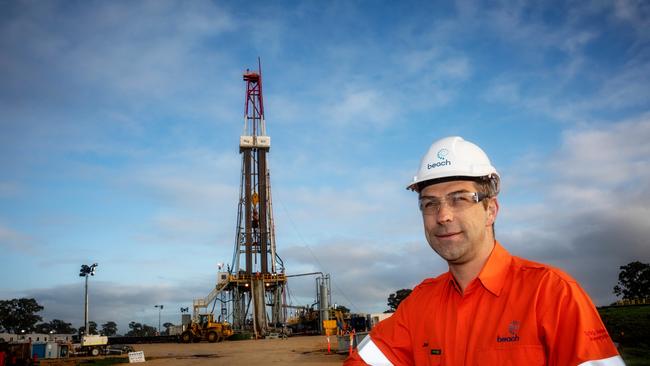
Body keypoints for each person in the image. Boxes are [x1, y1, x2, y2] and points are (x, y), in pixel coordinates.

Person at [345, 136, 624, 365]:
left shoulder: (551, 294)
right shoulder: (419, 304)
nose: (443, 216)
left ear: (490, 210)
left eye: (459, 199)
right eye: (430, 204)